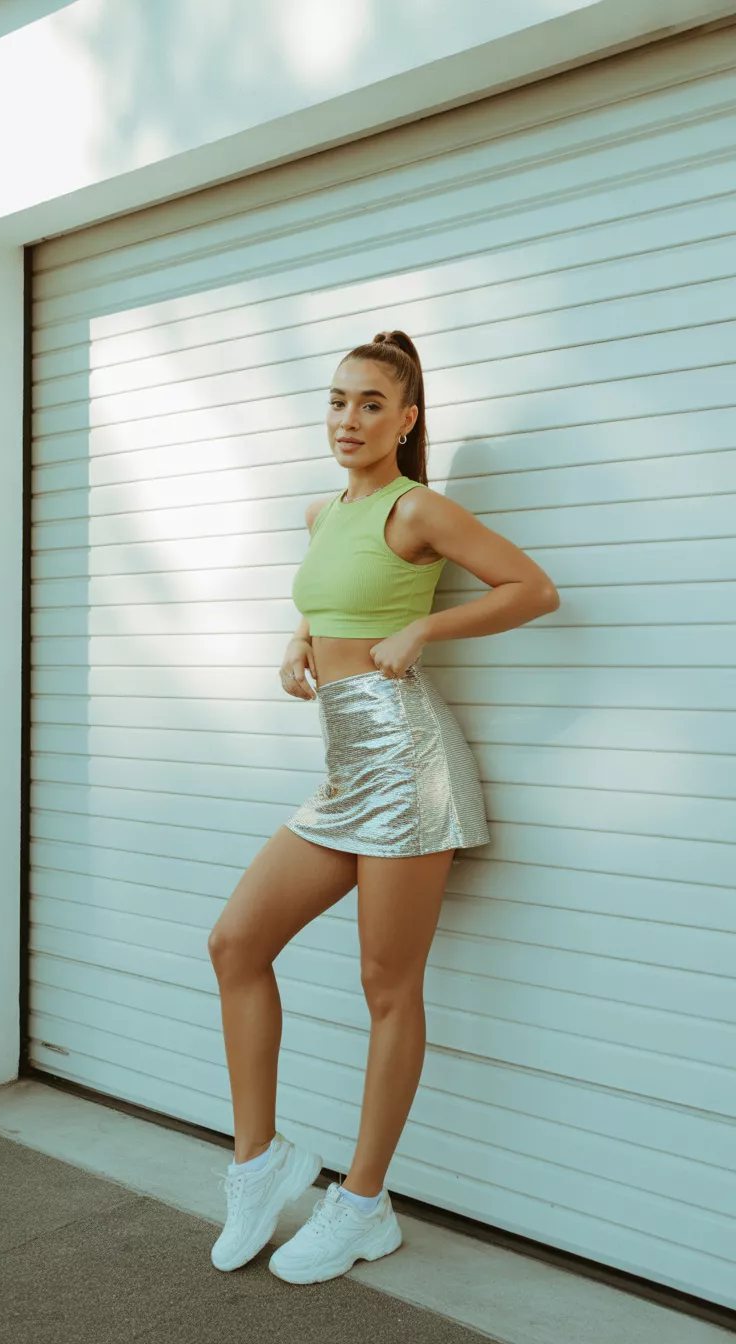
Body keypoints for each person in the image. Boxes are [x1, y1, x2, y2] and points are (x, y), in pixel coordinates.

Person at [207, 330, 559, 1285]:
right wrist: (299, 638)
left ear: (405, 420)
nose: (349, 419)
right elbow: (334, 596)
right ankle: (259, 1162)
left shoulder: (418, 509)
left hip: (407, 765)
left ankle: (363, 1204)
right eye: (337, 401)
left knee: (387, 986)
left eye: (371, 404)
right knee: (236, 944)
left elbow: (533, 589)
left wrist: (427, 626)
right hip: (344, 769)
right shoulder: (323, 511)